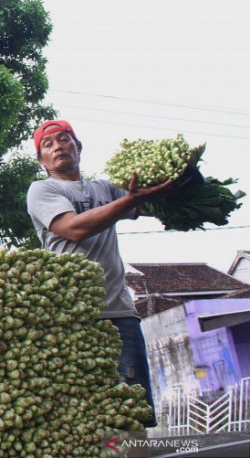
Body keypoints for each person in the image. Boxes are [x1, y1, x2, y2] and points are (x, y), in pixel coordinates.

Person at [26, 119, 174, 428]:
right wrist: (129, 201)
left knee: (131, 415)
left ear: (77, 147)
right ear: (41, 160)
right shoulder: (43, 189)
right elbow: (73, 228)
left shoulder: (105, 189)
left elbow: (152, 201)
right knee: (89, 415)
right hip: (74, 317)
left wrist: (176, 180)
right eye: (48, 144)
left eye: (64, 139)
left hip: (120, 312)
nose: (58, 146)